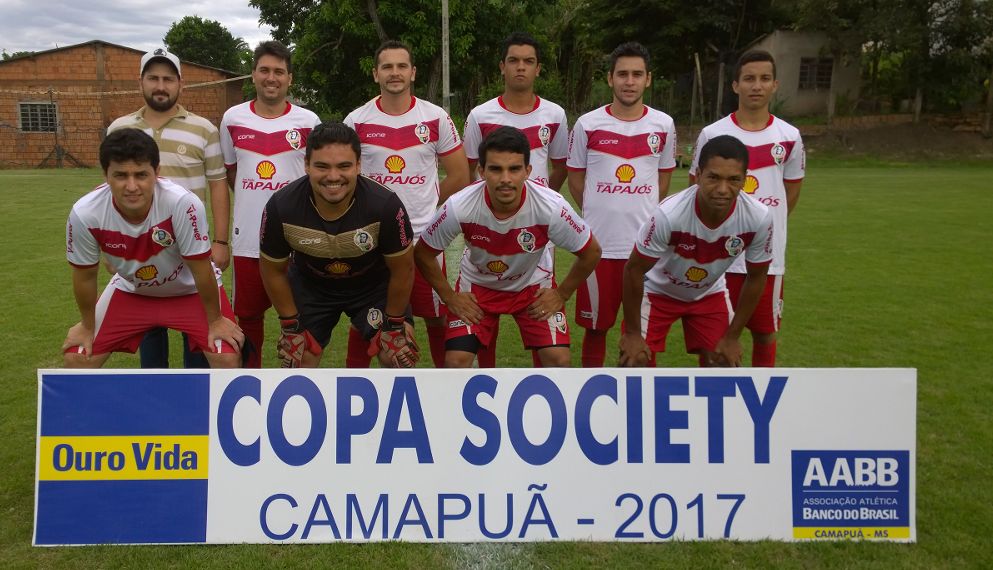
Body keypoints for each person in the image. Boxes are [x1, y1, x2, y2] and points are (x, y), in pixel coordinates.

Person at [414, 126, 601, 368]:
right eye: (495, 169)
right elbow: (423, 253)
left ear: (527, 171)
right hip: (479, 287)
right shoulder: (459, 206)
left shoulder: (551, 207)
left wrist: (561, 294)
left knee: (559, 360)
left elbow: (591, 252)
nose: (505, 179)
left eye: (514, 169)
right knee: (456, 362)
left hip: (532, 286)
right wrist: (450, 298)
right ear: (481, 171)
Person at [62, 128, 243, 368]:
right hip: (132, 292)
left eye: (141, 175)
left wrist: (216, 320)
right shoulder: (85, 213)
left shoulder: (182, 203)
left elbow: (201, 269)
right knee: (77, 358)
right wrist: (87, 326)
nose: (131, 186)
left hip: (189, 292)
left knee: (226, 357)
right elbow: (85, 277)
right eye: (120, 175)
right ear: (105, 174)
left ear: (156, 172)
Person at [343, 40, 470, 367]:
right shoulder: (357, 121)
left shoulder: (435, 117)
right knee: (366, 318)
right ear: (376, 74)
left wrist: (427, 204)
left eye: (402, 66)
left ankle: (445, 387)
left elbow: (459, 174)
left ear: (413, 72)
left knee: (436, 315)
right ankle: (354, 386)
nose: (395, 73)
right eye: (387, 66)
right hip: (372, 241)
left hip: (423, 239)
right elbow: (344, 178)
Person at [107, 47, 231, 369]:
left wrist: (220, 241)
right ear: (141, 82)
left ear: (180, 84)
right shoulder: (120, 128)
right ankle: (155, 388)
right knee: (150, 328)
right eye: (153, 78)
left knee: (198, 331)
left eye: (168, 79)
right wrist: (111, 248)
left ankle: (195, 390)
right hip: (140, 247)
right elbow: (112, 188)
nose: (160, 86)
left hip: (191, 246)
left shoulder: (203, 129)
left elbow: (218, 184)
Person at [258, 122, 418, 368]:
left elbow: (403, 269)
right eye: (322, 166)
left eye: (344, 166)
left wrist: (395, 323)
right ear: (306, 165)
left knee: (397, 355)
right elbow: (272, 271)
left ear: (358, 165)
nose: (333, 177)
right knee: (298, 358)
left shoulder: (385, 205)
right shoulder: (281, 206)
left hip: (371, 287)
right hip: (312, 287)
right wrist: (290, 325)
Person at [689, 50, 805, 367]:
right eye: (749, 79)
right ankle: (714, 395)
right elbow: (696, 190)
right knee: (713, 338)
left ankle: (760, 394)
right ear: (735, 85)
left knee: (764, 333)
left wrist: (763, 227)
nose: (757, 86)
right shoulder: (712, 134)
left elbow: (791, 191)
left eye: (764, 79)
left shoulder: (789, 137)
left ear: (775, 85)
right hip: (718, 255)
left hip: (767, 257)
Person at [618, 135, 774, 368]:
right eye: (713, 178)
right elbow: (633, 270)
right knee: (635, 360)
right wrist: (632, 333)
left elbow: (757, 277)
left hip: (708, 293)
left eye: (733, 179)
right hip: (658, 291)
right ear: (698, 175)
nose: (723, 189)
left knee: (723, 360)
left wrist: (732, 337)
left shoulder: (759, 218)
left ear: (745, 179)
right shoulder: (669, 215)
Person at [463, 31, 570, 368]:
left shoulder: (555, 115)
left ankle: (545, 389)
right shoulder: (480, 115)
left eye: (528, 61)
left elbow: (561, 166)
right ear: (502, 66)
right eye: (513, 61)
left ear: (538, 68)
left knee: (540, 314)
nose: (520, 67)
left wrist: (539, 202)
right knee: (483, 319)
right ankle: (484, 384)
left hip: (535, 231)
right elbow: (470, 170)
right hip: (489, 227)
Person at [567, 41, 678, 367]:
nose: (629, 81)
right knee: (595, 330)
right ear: (610, 78)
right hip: (598, 248)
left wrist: (644, 218)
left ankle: (640, 393)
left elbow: (663, 183)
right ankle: (593, 391)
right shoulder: (587, 124)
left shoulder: (663, 125)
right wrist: (599, 213)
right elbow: (576, 180)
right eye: (622, 74)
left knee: (642, 334)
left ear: (648, 79)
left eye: (637, 74)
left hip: (644, 251)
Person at [220, 40, 321, 367]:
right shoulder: (232, 118)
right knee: (248, 319)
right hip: (249, 240)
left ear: (290, 78)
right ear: (253, 74)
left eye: (279, 71)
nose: (271, 78)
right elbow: (232, 173)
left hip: (298, 241)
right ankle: (250, 382)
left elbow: (318, 176)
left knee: (299, 319)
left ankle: (296, 384)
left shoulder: (309, 122)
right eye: (264, 70)